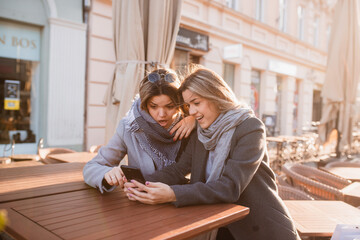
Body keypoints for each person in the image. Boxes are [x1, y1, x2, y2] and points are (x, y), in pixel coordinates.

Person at [124, 66, 300, 240]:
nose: (191, 112)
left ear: (215, 96)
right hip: (217, 225)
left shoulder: (250, 128)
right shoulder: (201, 131)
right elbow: (178, 170)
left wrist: (172, 194)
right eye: (188, 105)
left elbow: (229, 187)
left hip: (259, 228)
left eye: (196, 103)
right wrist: (142, 184)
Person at [83, 68, 195, 193]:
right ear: (145, 105)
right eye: (154, 106)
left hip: (180, 201)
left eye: (169, 106)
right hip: (139, 200)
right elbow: (90, 168)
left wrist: (196, 121)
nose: (162, 114)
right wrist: (107, 173)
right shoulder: (129, 127)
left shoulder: (190, 126)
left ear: (180, 104)